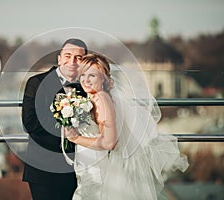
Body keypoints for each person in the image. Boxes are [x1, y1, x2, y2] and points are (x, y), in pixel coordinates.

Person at [64, 53, 189, 200]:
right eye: (83, 74)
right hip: (89, 165)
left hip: (98, 170)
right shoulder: (92, 98)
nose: (86, 80)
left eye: (92, 75)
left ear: (104, 78)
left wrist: (76, 138)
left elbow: (109, 142)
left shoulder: (102, 100)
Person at [21, 38, 88, 200]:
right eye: (68, 55)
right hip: (43, 168)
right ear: (59, 59)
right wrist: (65, 121)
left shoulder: (87, 87)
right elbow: (29, 123)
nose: (72, 61)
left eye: (78, 58)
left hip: (77, 169)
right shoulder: (36, 82)